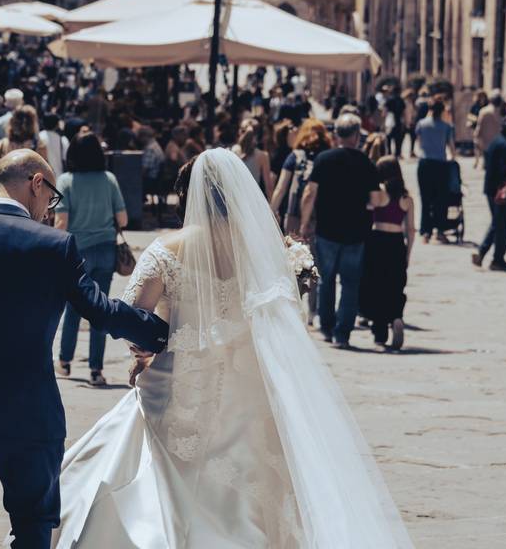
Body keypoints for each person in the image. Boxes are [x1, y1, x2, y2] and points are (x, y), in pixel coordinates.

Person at [52, 149, 413, 549]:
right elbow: (281, 311)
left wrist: (144, 357)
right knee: (253, 485)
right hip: (249, 388)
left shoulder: (165, 250)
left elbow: (136, 316)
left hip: (180, 386)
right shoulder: (262, 249)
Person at [0, 149, 169, 549]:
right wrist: (159, 333)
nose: (48, 208)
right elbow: (100, 311)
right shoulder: (54, 246)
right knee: (33, 524)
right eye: (51, 196)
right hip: (28, 408)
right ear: (36, 183)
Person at [299, 114, 388, 348]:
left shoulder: (323, 159)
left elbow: (310, 194)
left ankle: (327, 327)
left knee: (327, 280)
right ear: (357, 136)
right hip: (356, 233)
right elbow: (377, 199)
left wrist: (304, 223)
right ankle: (343, 334)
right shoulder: (366, 163)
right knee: (350, 284)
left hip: (327, 230)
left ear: (336, 134)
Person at [54, 132, 129, 386]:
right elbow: (123, 219)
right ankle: (96, 370)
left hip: (77, 252)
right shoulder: (109, 179)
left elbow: (61, 223)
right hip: (106, 250)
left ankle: (64, 361)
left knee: (73, 309)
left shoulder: (65, 181)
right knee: (100, 309)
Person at [359, 157, 415, 350]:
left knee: (376, 284)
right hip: (396, 242)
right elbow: (411, 230)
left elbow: (367, 211)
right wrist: (408, 252)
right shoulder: (407, 199)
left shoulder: (380, 193)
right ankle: (397, 316)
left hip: (378, 240)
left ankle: (380, 333)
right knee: (395, 284)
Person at [473, 115, 506, 271]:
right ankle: (497, 259)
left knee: (498, 223)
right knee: (503, 225)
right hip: (500, 191)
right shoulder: (505, 145)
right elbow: (505, 171)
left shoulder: (497, 140)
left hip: (492, 189)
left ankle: (483, 254)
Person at [415, 98, 456, 243]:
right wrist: (452, 159)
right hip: (440, 165)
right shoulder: (446, 127)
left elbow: (418, 144)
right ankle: (439, 231)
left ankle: (425, 232)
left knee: (426, 199)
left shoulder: (421, 124)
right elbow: (451, 147)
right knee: (441, 199)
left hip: (425, 163)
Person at [0, 105, 47, 188]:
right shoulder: (39, 146)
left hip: (6, 194)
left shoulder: (0, 146)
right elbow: (44, 174)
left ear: (12, 122)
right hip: (30, 196)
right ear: (33, 124)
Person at [232, 117, 274, 195]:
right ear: (257, 135)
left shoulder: (233, 151)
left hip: (235, 199)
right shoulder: (263, 155)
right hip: (253, 200)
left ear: (240, 132)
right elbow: (268, 187)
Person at [474, 89, 503, 166]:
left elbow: (479, 126)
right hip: (499, 143)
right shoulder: (501, 112)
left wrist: (476, 136)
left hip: (487, 143)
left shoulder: (483, 111)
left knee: (488, 165)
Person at [39, 113, 69, 178]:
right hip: (59, 177)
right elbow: (66, 158)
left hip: (42, 179)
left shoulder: (38, 138)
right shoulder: (62, 140)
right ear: (57, 125)